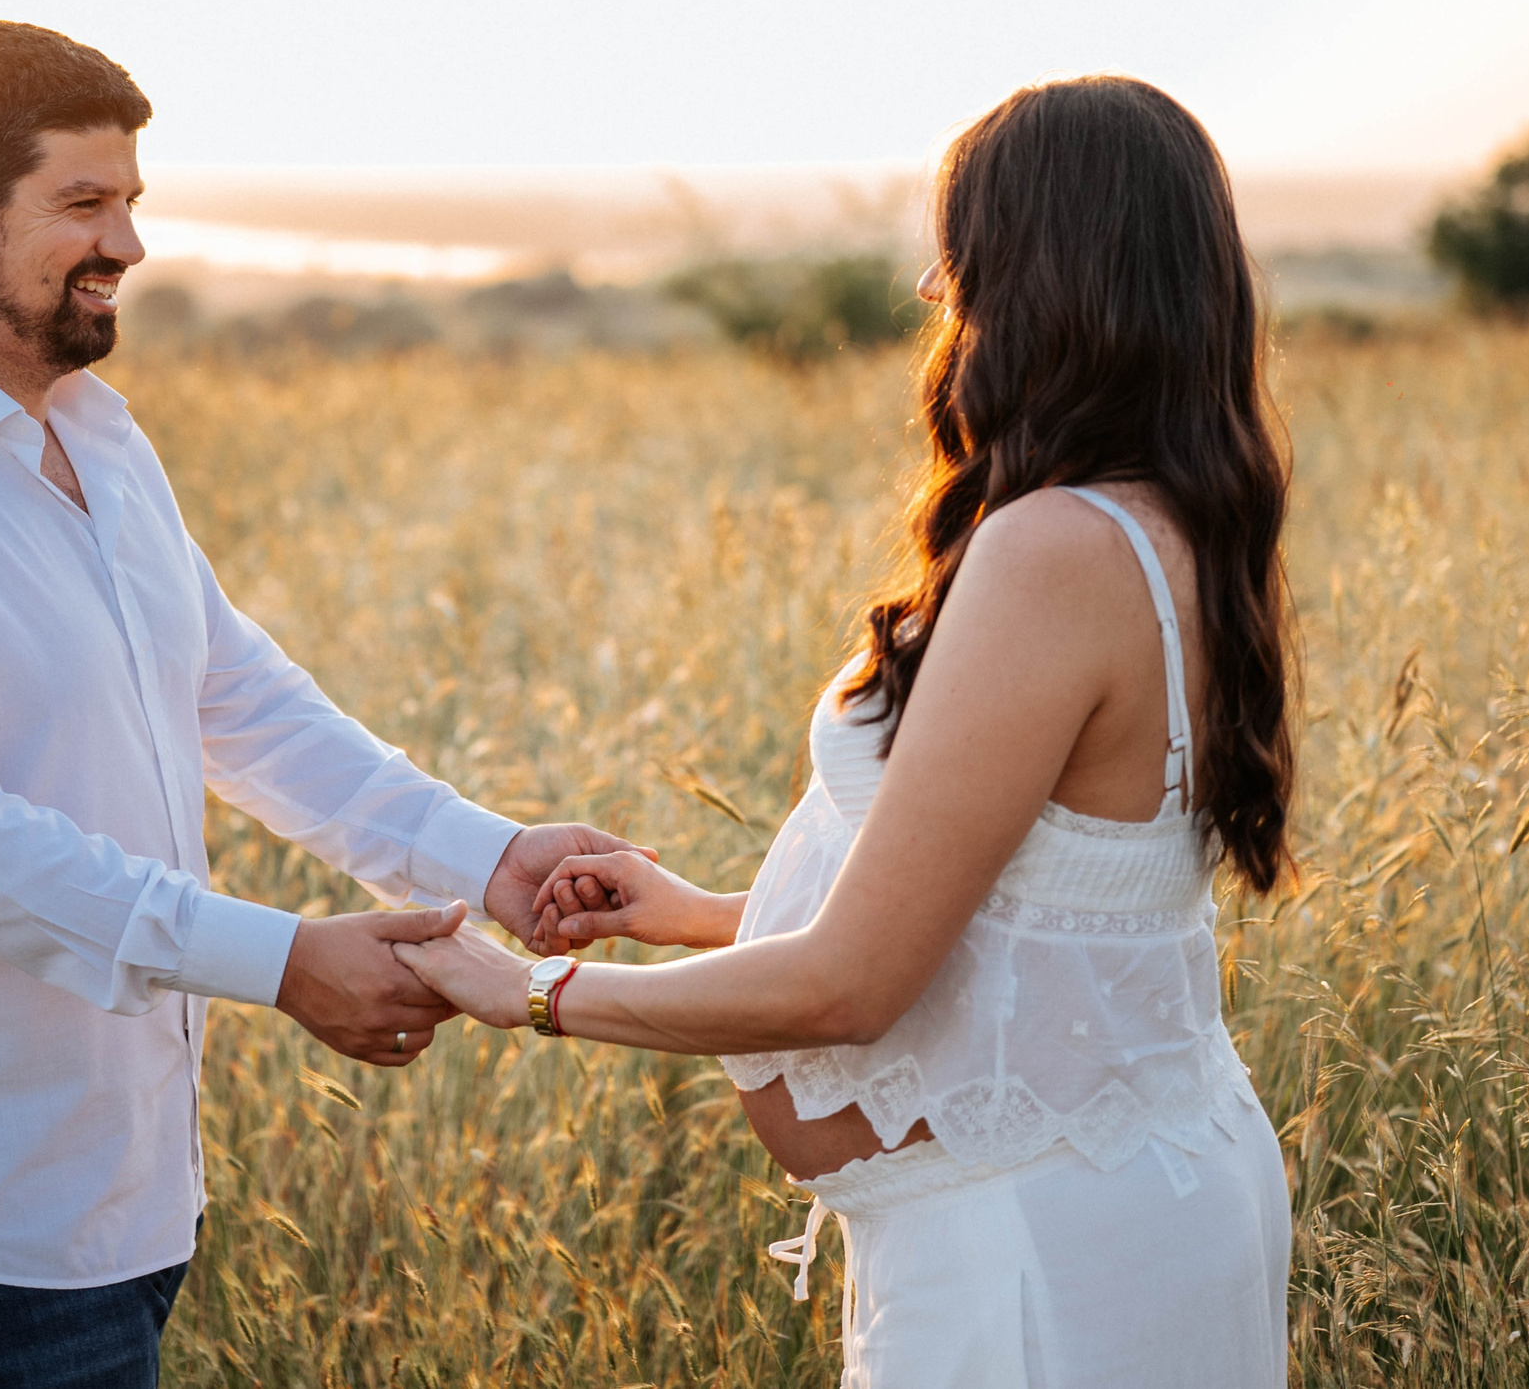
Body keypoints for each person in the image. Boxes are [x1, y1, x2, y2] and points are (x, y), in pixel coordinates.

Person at [0, 19, 641, 1387]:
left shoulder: (99, 434)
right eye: (84, 204)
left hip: (122, 1191)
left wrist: (487, 858)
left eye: (131, 202)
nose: (128, 244)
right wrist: (283, 958)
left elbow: (242, 703)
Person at [396, 76, 1296, 1386]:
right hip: (1125, 1187)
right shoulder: (1178, 520)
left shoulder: (1054, 548)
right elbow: (1010, 906)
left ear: (1038, 271)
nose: (940, 291)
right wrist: (699, 909)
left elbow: (855, 981)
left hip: (1033, 1254)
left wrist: (529, 991)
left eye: (964, 253)